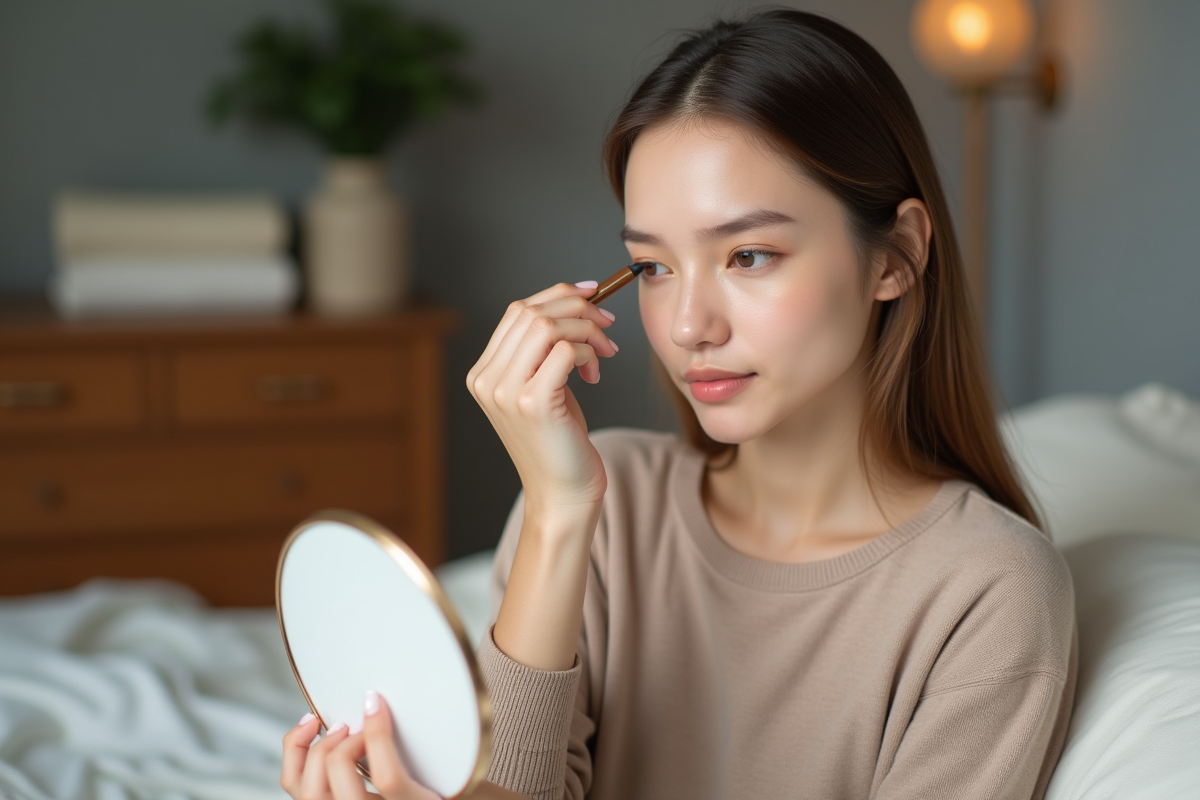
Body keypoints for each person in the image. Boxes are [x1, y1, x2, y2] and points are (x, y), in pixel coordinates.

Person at [280, 9, 1077, 800]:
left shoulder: (989, 589)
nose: (691, 325)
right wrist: (559, 514)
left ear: (897, 255)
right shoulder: (601, 503)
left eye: (749, 255)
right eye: (654, 268)